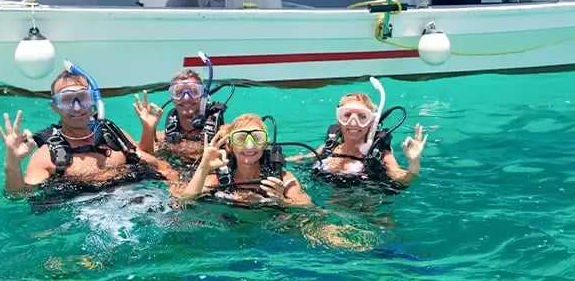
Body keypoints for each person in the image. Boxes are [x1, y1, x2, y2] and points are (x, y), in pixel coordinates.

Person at [0, 70, 179, 200]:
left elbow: (158, 164)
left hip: (135, 199)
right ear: (55, 107)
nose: (77, 107)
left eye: (82, 98)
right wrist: (12, 162)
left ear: (91, 101)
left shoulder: (113, 136)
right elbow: (17, 196)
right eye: (67, 100)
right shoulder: (47, 156)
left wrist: (176, 187)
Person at [291, 92, 428, 190]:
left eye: (362, 117)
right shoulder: (329, 148)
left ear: (371, 122)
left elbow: (404, 179)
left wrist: (414, 162)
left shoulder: (380, 155)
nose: (354, 123)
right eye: (347, 115)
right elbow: (298, 159)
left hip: (368, 209)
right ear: (339, 119)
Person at [175, 113, 312, 207]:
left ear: (265, 144)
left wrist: (281, 200)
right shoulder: (215, 180)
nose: (249, 145)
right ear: (230, 146)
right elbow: (185, 202)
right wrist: (203, 168)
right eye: (240, 138)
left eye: (257, 138)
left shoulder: (285, 181)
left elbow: (309, 210)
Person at [133, 69, 228, 169]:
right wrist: (148, 128)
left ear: (203, 96)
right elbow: (143, 157)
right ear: (172, 98)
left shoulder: (222, 133)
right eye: (178, 93)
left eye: (194, 92)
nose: (186, 98)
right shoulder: (162, 138)